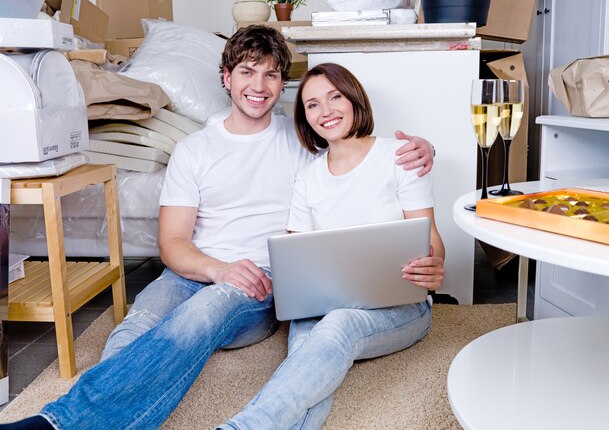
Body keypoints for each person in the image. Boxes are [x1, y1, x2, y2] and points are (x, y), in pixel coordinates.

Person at [0, 26, 435, 430]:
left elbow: (355, 153)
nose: (259, 86)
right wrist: (217, 269)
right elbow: (171, 243)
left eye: (271, 75)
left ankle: (55, 425)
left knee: (202, 314)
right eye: (247, 72)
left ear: (281, 84)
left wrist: (420, 149)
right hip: (195, 272)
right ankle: (97, 419)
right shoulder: (193, 150)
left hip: (259, 283)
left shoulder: (303, 138)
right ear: (226, 77)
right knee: (132, 332)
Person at [219, 62, 445, 430]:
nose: (325, 111)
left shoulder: (400, 157)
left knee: (337, 327)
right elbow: (298, 262)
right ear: (305, 117)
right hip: (319, 307)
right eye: (312, 105)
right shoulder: (307, 178)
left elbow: (432, 239)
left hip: (402, 307)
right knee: (309, 369)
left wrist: (433, 264)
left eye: (334, 97)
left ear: (354, 99)